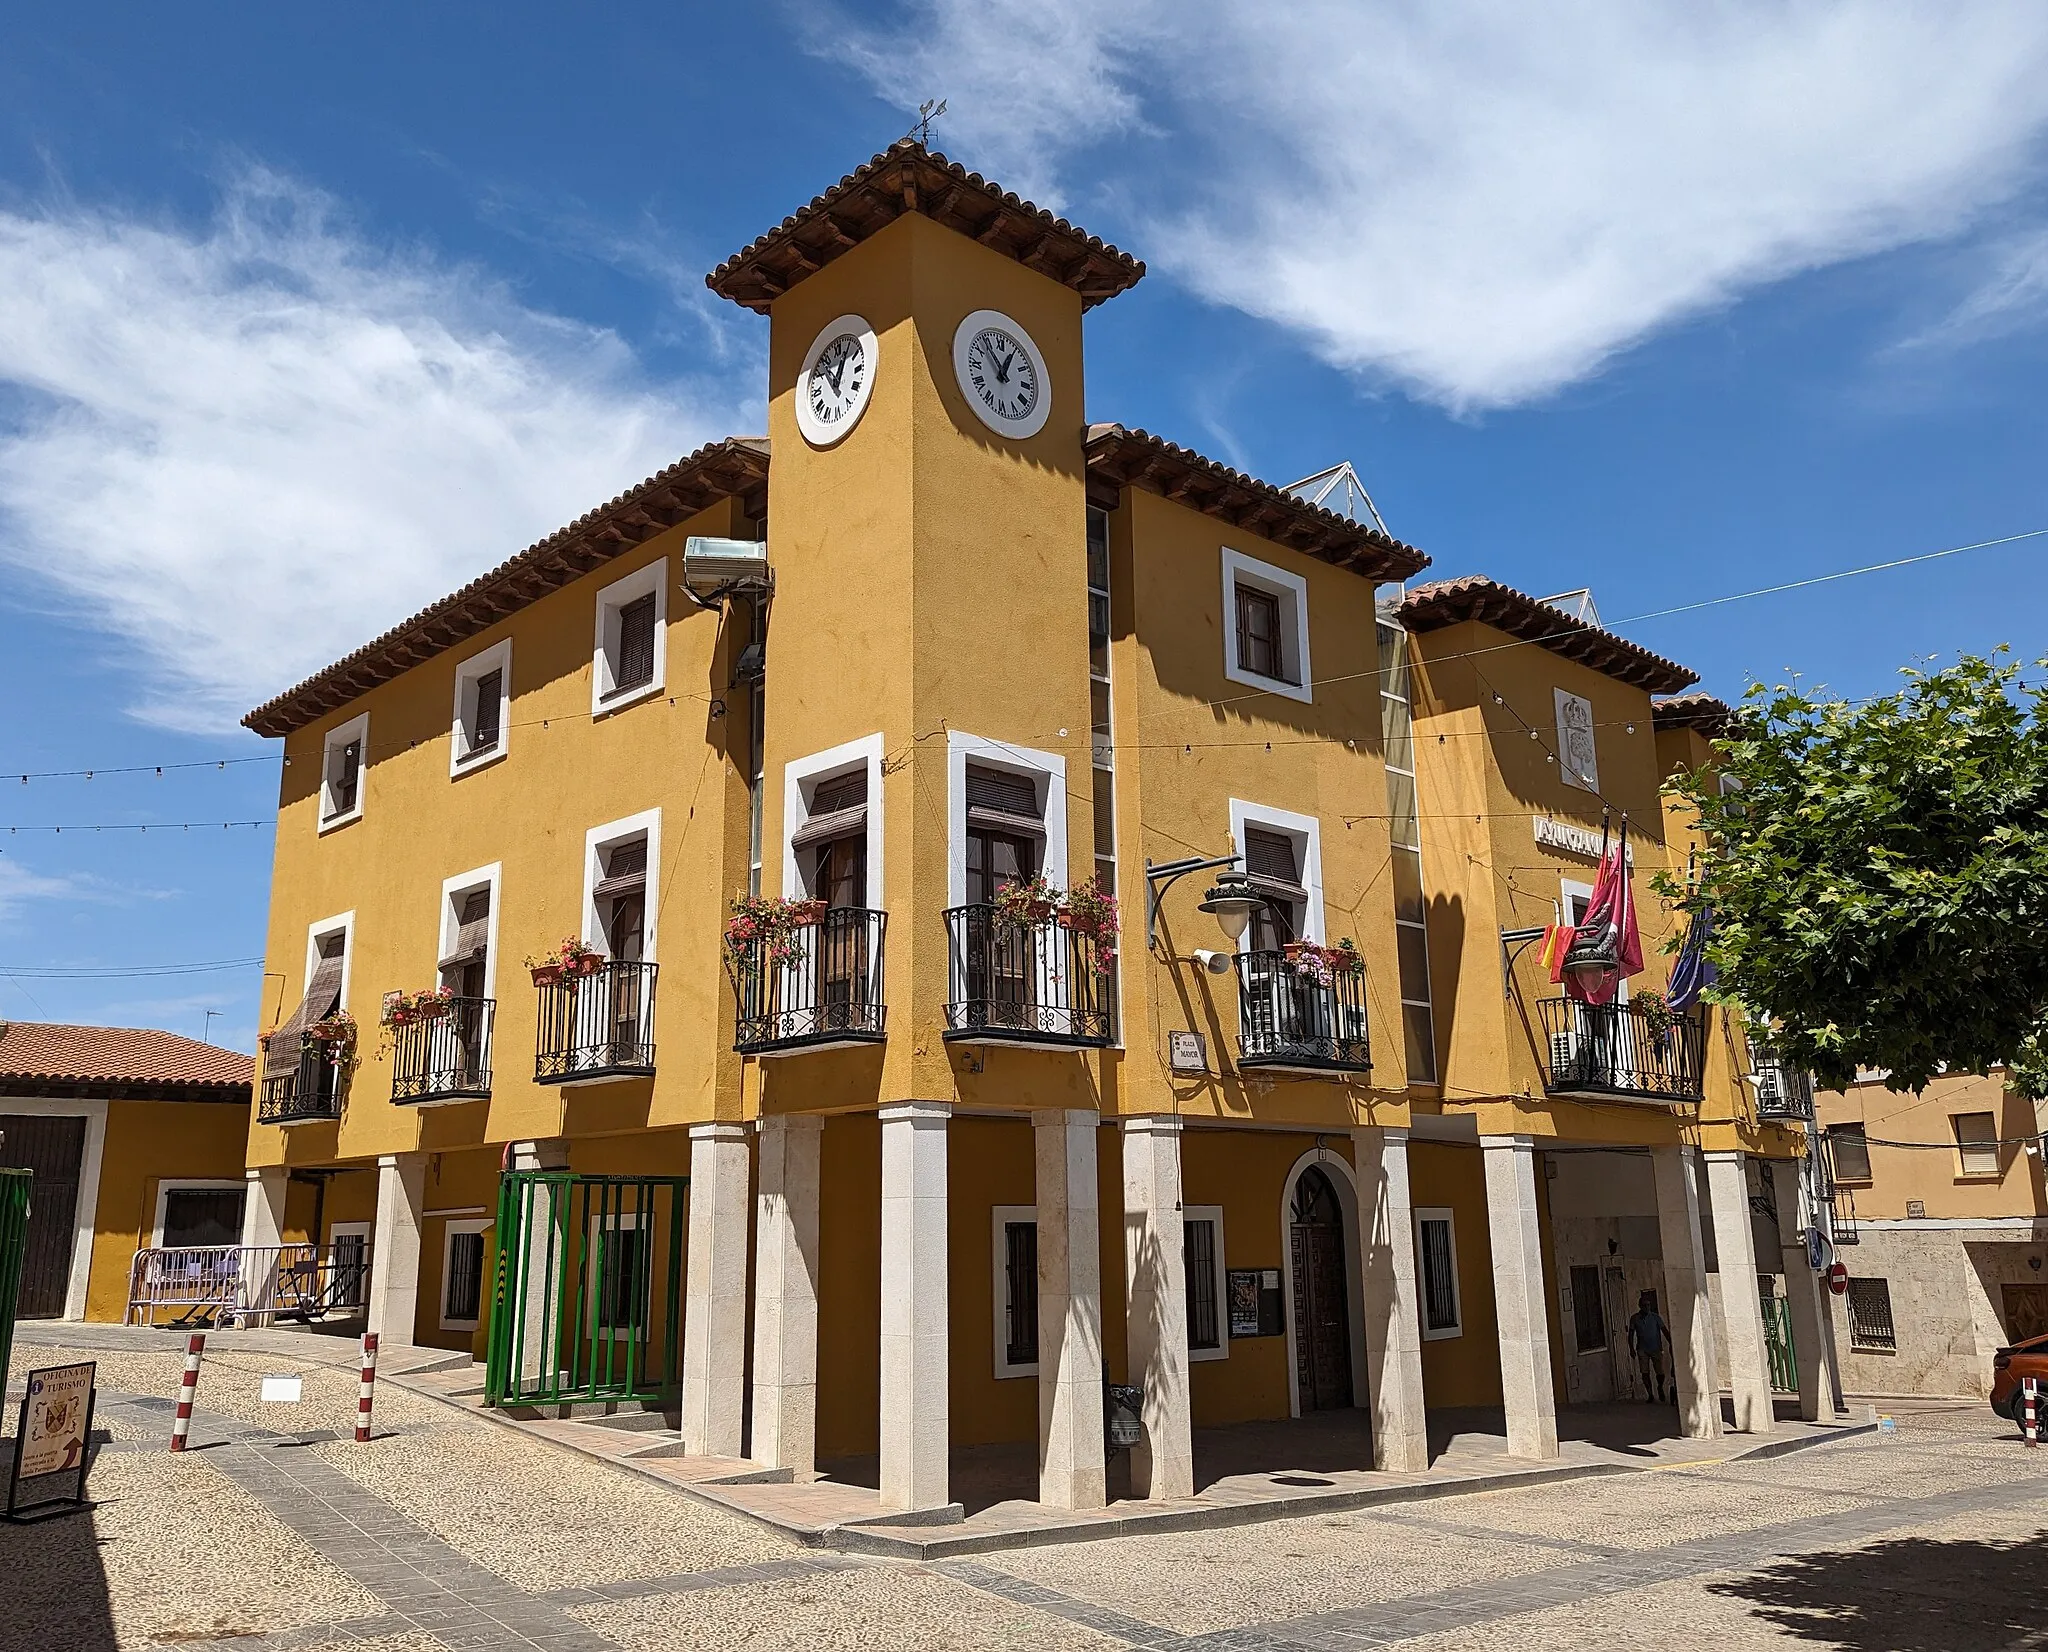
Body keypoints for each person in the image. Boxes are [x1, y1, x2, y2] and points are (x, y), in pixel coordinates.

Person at [1627, 1290, 1672, 1403]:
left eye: (1648, 1305)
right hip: (1642, 1349)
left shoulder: (1656, 1317)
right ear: (1640, 1306)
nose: (1647, 1307)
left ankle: (1660, 1387)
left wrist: (1671, 1342)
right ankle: (1650, 1394)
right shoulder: (1635, 1318)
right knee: (1645, 1372)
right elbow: (1631, 1334)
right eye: (1645, 1305)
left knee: (1660, 1372)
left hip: (1656, 1347)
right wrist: (1631, 1348)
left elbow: (1664, 1330)